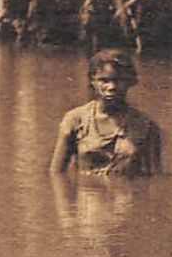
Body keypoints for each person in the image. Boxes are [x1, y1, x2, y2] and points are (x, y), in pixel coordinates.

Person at [49, 48, 161, 177]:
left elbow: (154, 178)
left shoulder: (145, 125)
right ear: (93, 81)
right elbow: (56, 175)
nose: (111, 87)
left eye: (119, 80)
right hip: (87, 194)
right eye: (104, 80)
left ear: (131, 81)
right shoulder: (75, 120)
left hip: (126, 195)